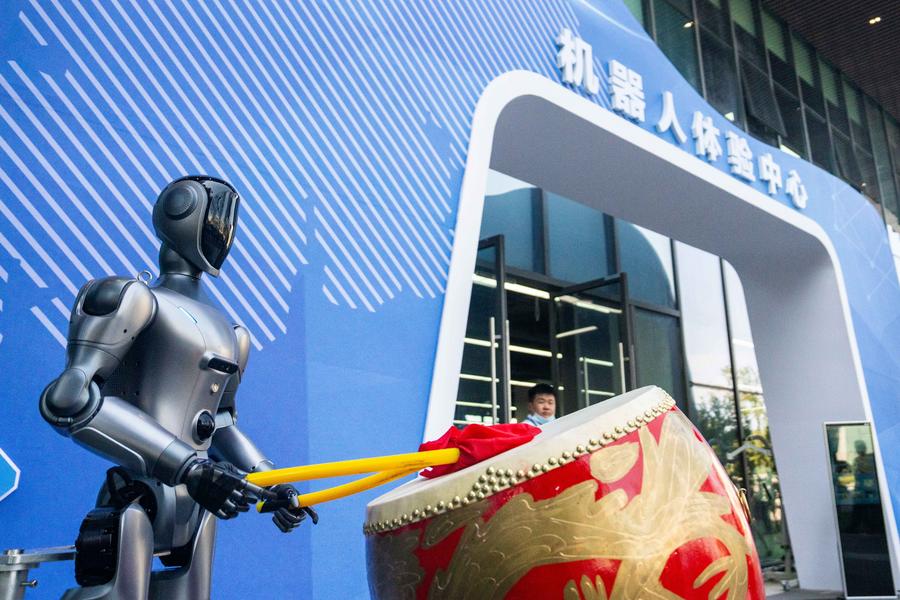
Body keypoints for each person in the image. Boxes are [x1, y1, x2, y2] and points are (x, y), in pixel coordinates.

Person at [39, 176, 315, 599]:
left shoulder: (232, 334)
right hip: (137, 497)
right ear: (180, 213)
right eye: (214, 216)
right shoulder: (132, 298)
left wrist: (271, 482)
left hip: (197, 505)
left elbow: (217, 425)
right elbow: (71, 400)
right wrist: (190, 467)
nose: (222, 231)